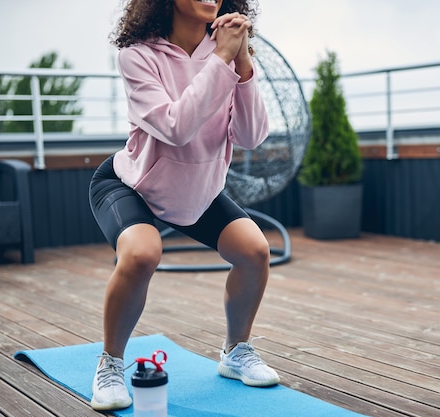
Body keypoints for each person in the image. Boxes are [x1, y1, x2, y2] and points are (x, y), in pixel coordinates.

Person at [88, 0, 278, 411]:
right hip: (132, 183)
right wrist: (223, 58)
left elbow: (251, 136)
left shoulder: (225, 53)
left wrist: (242, 66)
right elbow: (175, 127)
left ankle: (235, 352)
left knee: (255, 252)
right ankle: (110, 364)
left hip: (197, 190)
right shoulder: (137, 55)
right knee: (141, 254)